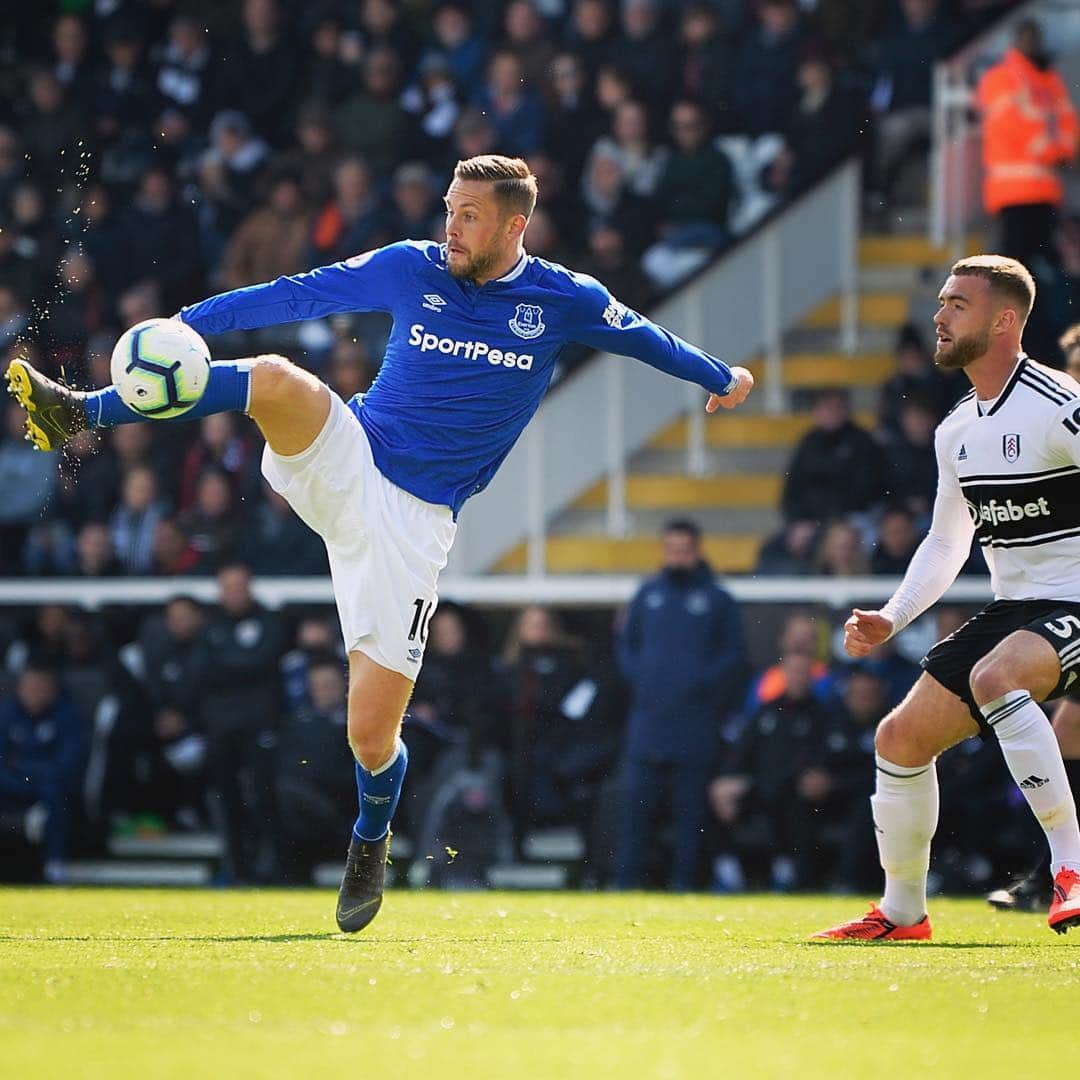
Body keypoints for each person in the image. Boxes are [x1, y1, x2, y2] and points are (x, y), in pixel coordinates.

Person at [6, 154, 754, 931]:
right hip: (350, 452)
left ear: (514, 225)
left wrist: (716, 374)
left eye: (469, 215)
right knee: (275, 376)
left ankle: (370, 841)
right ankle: (83, 412)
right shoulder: (411, 267)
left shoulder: (562, 299)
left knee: (370, 737)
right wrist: (187, 324)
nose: (451, 226)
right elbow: (300, 293)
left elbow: (643, 336)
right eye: (449, 208)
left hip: (412, 527)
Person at [812, 255, 1080, 941]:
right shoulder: (956, 428)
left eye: (958, 303)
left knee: (997, 677)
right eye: (941, 301)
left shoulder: (1062, 408)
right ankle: (903, 912)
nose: (939, 315)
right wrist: (893, 615)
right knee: (899, 739)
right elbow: (945, 542)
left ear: (1004, 321)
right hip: (1020, 608)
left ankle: (1072, 867)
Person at [615, 520, 745, 890]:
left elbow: (732, 657)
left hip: (695, 727)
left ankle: (686, 886)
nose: (677, 556)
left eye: (684, 549)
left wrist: (699, 684)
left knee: (691, 819)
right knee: (636, 816)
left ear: (697, 550)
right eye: (671, 548)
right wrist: (642, 678)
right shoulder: (647, 594)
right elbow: (626, 646)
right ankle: (626, 886)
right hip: (648, 725)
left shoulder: (718, 599)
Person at [976, 19, 1078, 271]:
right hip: (1015, 192)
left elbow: (1066, 121)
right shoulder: (1002, 79)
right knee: (1019, 268)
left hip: (1044, 189)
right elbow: (1014, 124)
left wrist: (1064, 152)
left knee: (1039, 268)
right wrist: (1056, 153)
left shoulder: (1047, 80)